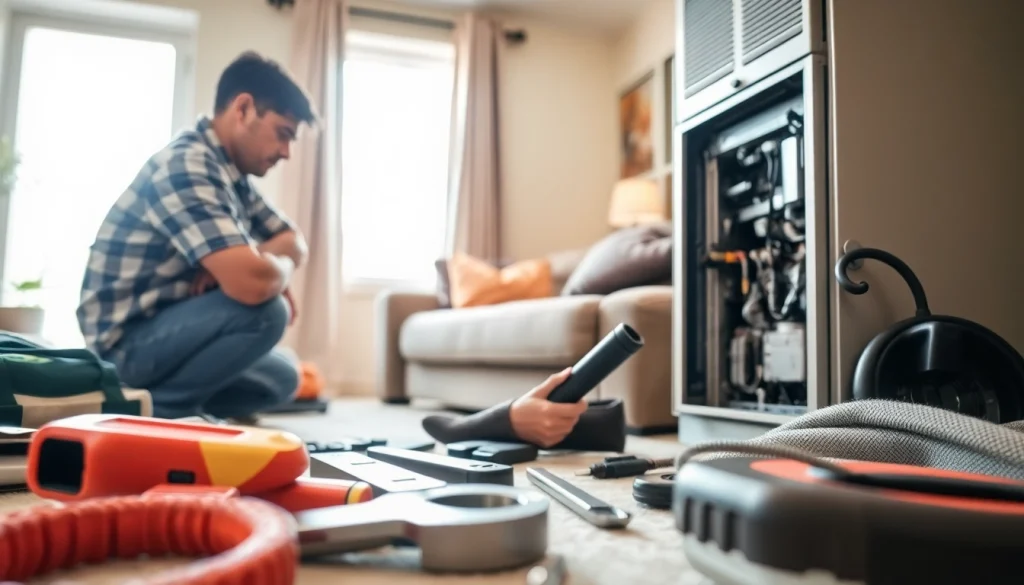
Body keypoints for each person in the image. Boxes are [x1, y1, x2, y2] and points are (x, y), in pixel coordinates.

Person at [77, 51, 314, 421]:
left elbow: (294, 240)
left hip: (172, 329)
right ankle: (163, 412)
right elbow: (254, 285)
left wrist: (256, 264)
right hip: (124, 348)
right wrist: (271, 271)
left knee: (283, 377)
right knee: (268, 312)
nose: (286, 152)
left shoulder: (231, 175)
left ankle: (171, 400)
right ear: (244, 109)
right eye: (283, 134)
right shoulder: (187, 164)